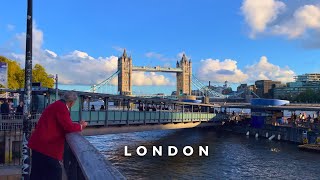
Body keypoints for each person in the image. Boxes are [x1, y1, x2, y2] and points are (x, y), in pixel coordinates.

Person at [28, 91, 88, 180]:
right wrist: (81, 126)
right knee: (55, 173)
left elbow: (64, 124)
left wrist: (75, 125)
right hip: (47, 147)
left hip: (39, 145)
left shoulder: (56, 105)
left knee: (38, 174)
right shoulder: (62, 108)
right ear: (72, 102)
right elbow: (68, 127)